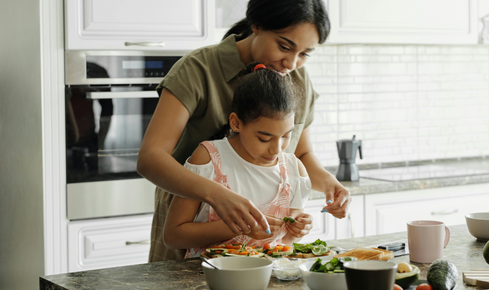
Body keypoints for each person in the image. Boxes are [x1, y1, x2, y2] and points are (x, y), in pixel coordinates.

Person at [137, 0, 352, 262]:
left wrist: (330, 184)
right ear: (256, 26)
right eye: (284, 46)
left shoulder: (297, 78)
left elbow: (301, 154)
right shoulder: (198, 69)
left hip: (259, 252)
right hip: (190, 226)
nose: (292, 63)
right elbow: (150, 158)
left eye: (305, 53)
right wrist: (217, 195)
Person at [164, 64, 313, 257]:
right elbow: (173, 236)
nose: (277, 149)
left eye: (286, 136)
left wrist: (298, 230)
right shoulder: (208, 159)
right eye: (264, 138)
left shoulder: (294, 170)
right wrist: (240, 227)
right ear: (236, 123)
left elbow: (286, 242)